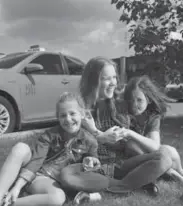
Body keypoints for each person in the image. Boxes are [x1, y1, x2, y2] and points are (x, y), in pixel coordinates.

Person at [0, 92, 101, 206]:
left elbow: (94, 163)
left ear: (82, 114)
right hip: (36, 174)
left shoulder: (90, 141)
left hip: (50, 183)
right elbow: (36, 161)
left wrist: (92, 161)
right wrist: (17, 186)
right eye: (63, 115)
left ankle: (5, 202)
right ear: (58, 118)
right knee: (21, 148)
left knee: (58, 198)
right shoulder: (49, 135)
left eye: (72, 113)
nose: (68, 119)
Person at [59, 56, 175, 197]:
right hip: (92, 166)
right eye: (107, 78)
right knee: (65, 175)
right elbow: (70, 146)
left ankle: (118, 186)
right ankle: (131, 183)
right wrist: (99, 136)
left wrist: (115, 136)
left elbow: (134, 136)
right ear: (93, 80)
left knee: (164, 157)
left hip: (121, 165)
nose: (113, 83)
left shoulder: (121, 104)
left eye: (114, 77)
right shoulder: (78, 108)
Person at [121, 75, 183, 187]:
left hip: (148, 150)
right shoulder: (124, 113)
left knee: (171, 150)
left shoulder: (152, 116)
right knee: (131, 144)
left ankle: (181, 171)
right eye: (131, 100)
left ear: (149, 99)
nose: (134, 105)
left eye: (139, 100)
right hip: (131, 155)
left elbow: (155, 146)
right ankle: (171, 173)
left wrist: (131, 133)